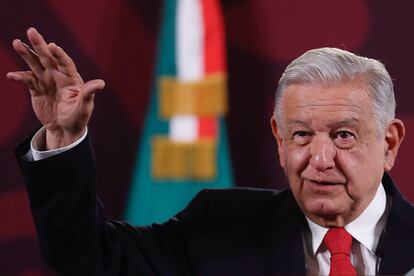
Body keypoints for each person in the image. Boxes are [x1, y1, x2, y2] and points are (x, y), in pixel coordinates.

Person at [9, 27, 414, 275]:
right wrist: (63, 138)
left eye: (343, 135)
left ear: (389, 143)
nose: (319, 160)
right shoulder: (217, 228)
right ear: (279, 139)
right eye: (302, 136)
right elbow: (87, 258)